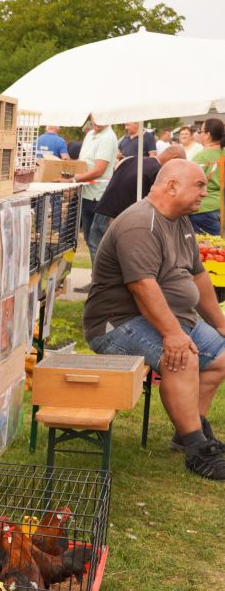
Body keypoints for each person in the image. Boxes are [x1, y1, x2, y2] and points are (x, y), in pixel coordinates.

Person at [84, 160, 225, 479]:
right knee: (182, 358)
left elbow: (199, 276)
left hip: (165, 317)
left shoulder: (180, 220)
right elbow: (142, 287)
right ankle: (196, 450)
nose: (206, 192)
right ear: (172, 186)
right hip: (115, 324)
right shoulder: (140, 223)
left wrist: (220, 323)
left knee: (221, 358)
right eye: (200, 185)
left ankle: (191, 431)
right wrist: (173, 334)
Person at [96, 144, 186, 227]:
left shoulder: (134, 159)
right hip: (118, 218)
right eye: (179, 164)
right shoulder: (159, 171)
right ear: (175, 158)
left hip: (104, 208)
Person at [75, 116, 119, 256]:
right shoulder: (89, 134)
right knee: (89, 239)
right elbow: (83, 163)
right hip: (87, 193)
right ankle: (98, 276)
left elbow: (99, 170)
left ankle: (101, 277)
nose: (97, 121)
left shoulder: (108, 137)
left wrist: (74, 179)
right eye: (95, 117)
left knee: (97, 241)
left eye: (101, 117)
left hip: (100, 197)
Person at [189, 117, 223, 236]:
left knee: (208, 248)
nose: (199, 134)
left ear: (208, 135)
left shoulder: (201, 157)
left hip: (203, 209)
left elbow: (189, 182)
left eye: (201, 131)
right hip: (221, 206)